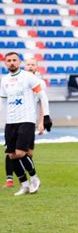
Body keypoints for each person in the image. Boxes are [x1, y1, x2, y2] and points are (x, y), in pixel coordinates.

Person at [0, 52, 52, 196]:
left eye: (14, 60)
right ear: (5, 63)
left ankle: (34, 179)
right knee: (11, 155)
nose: (12, 63)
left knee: (21, 152)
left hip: (26, 119)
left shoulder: (28, 77)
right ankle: (24, 185)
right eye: (9, 60)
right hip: (10, 121)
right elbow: (3, 101)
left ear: (19, 62)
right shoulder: (4, 80)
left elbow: (42, 95)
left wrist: (46, 116)